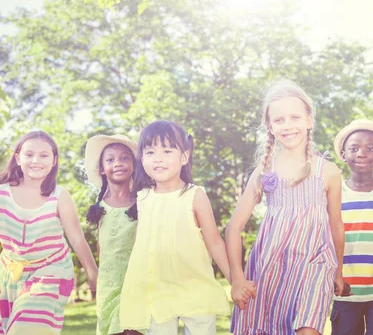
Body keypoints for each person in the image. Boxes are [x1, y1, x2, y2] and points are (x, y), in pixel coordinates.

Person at [226, 79, 345, 335]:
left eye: (295, 117)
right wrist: (237, 278)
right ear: (270, 127)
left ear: (309, 120)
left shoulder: (329, 172)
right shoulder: (264, 171)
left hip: (315, 265)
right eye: (279, 120)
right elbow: (233, 227)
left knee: (308, 328)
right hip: (269, 268)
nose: (288, 125)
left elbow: (336, 224)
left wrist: (338, 270)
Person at [120, 120, 230, 335]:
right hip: (156, 294)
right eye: (150, 152)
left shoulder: (194, 195)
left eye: (167, 150)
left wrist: (235, 280)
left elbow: (215, 242)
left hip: (195, 289)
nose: (158, 158)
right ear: (141, 159)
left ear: (184, 157)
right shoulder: (141, 197)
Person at [0, 130, 98, 334]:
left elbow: (77, 239)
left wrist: (93, 274)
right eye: (29, 154)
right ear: (18, 158)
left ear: (54, 161)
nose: (36, 160)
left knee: (26, 327)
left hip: (51, 271)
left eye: (44, 155)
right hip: (9, 273)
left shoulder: (60, 196)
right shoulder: (2, 193)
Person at [329, 119, 373, 335]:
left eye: (370, 149)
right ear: (343, 154)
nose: (362, 153)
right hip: (343, 289)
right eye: (354, 148)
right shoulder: (333, 195)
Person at [84, 134, 140, 335]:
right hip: (109, 283)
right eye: (110, 159)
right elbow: (101, 247)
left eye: (125, 158)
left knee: (135, 329)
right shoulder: (100, 208)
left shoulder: (142, 202)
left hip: (137, 280)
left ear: (133, 165)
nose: (118, 163)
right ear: (101, 168)